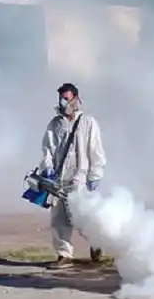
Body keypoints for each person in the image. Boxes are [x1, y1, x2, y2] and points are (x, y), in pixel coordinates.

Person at [40, 82, 106, 268]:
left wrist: (95, 174)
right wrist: (47, 167)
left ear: (76, 99)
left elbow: (95, 150)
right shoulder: (55, 124)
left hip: (80, 177)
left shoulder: (87, 122)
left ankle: (96, 240)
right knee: (59, 218)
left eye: (67, 99)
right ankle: (64, 254)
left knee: (80, 216)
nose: (63, 102)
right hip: (58, 178)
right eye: (61, 98)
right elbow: (47, 149)